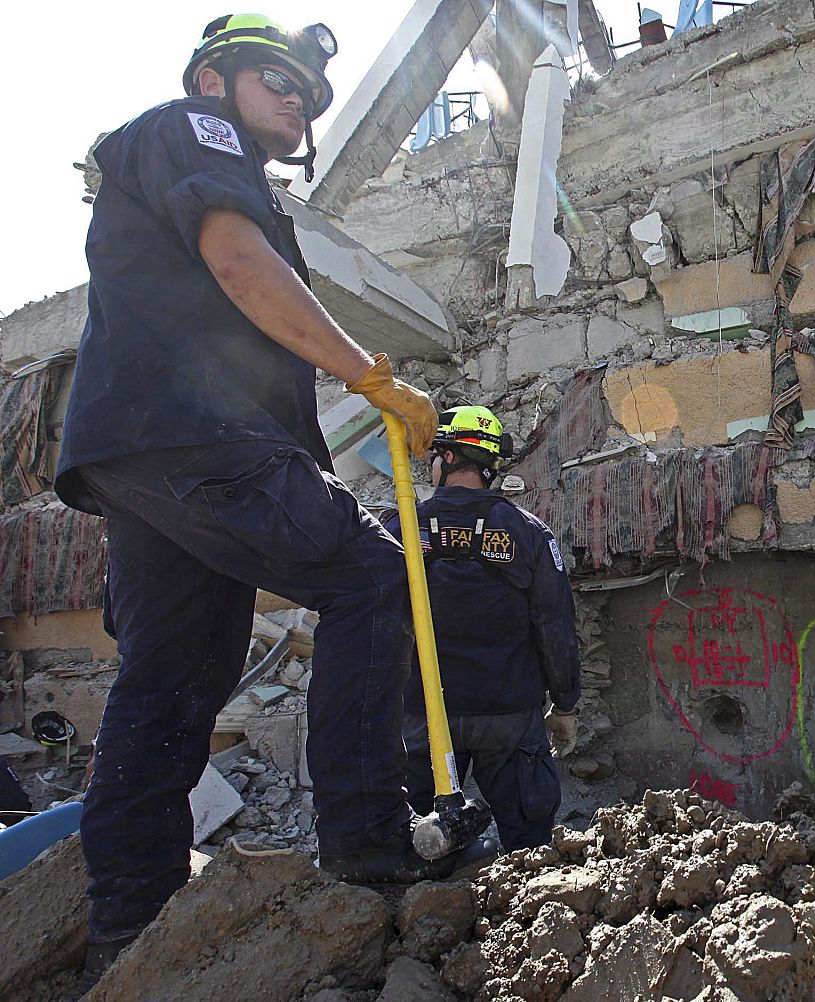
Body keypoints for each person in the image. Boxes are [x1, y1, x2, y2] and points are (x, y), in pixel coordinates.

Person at [54, 14, 451, 987]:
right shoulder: (197, 132)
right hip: (195, 430)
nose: (296, 99)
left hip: (140, 452)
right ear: (211, 81)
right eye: (274, 79)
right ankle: (367, 839)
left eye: (307, 94)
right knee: (373, 578)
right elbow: (239, 266)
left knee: (174, 677)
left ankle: (129, 924)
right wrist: (374, 379)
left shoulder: (183, 159)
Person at [385, 406, 581, 852]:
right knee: (529, 842)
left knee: (413, 842)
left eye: (434, 456)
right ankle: (527, 912)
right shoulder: (529, 534)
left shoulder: (400, 528)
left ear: (448, 458)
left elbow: (373, 623)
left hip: (422, 718)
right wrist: (565, 705)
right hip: (507, 715)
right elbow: (556, 627)